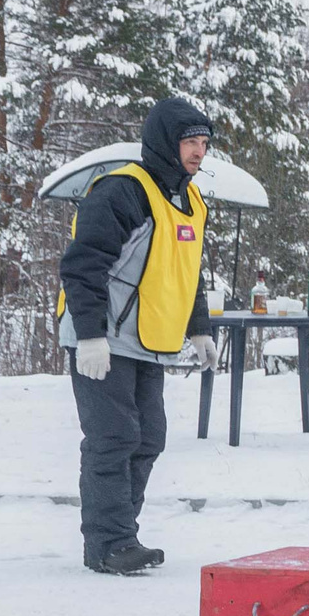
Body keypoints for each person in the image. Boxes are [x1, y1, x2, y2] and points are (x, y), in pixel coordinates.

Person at [55, 96, 223, 574]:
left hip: (148, 338)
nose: (198, 151)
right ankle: (108, 544)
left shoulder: (189, 201)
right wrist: (89, 335)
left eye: (204, 142)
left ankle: (122, 535)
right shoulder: (123, 191)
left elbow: (186, 271)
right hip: (103, 335)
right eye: (190, 141)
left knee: (149, 437)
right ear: (165, 142)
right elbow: (83, 265)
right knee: (113, 436)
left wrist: (199, 329)